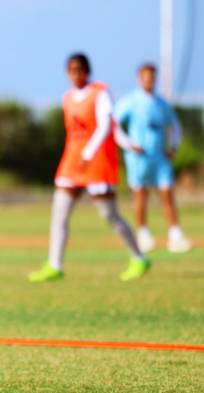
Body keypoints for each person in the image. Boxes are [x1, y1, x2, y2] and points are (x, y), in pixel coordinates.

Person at [28, 53, 149, 283]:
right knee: (59, 213)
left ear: (86, 70)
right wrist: (80, 155)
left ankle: (138, 258)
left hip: (96, 162)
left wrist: (122, 145)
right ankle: (55, 264)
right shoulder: (67, 98)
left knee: (109, 215)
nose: (75, 74)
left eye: (79, 70)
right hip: (72, 162)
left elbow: (107, 125)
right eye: (71, 70)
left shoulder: (100, 92)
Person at [114, 63, 192, 253]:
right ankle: (143, 234)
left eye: (152, 77)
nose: (149, 81)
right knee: (141, 195)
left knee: (167, 194)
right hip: (138, 159)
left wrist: (173, 147)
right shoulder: (130, 101)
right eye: (145, 77)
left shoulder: (161, 103)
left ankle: (175, 235)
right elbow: (113, 125)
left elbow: (175, 126)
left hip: (159, 158)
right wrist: (129, 144)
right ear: (139, 78)